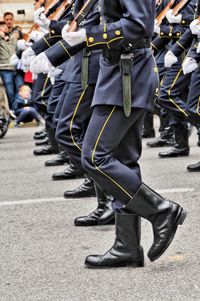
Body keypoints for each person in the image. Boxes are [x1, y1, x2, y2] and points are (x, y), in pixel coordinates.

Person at [61, 0, 187, 268]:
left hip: (127, 76)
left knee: (94, 157)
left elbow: (138, 25)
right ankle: (127, 246)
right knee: (123, 160)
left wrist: (90, 35)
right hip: (120, 72)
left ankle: (161, 210)